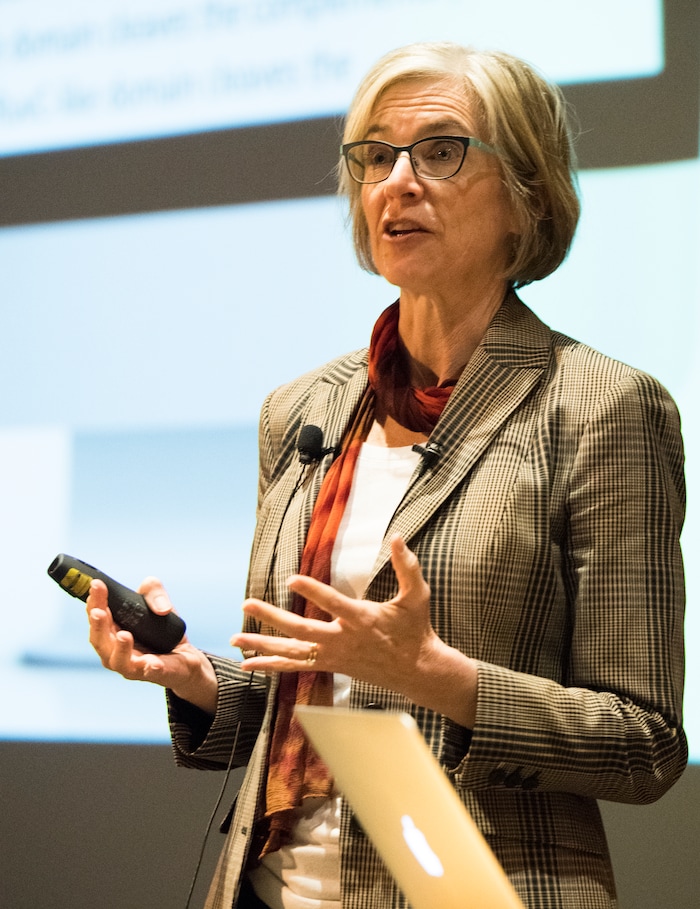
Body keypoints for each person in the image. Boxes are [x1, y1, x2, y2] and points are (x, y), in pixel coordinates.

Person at [86, 41, 687, 909]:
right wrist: (195, 675)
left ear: (526, 196)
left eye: (440, 150)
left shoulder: (601, 408)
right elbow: (315, 692)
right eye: (375, 155)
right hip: (266, 886)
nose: (397, 181)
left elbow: (645, 742)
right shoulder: (303, 410)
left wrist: (440, 676)